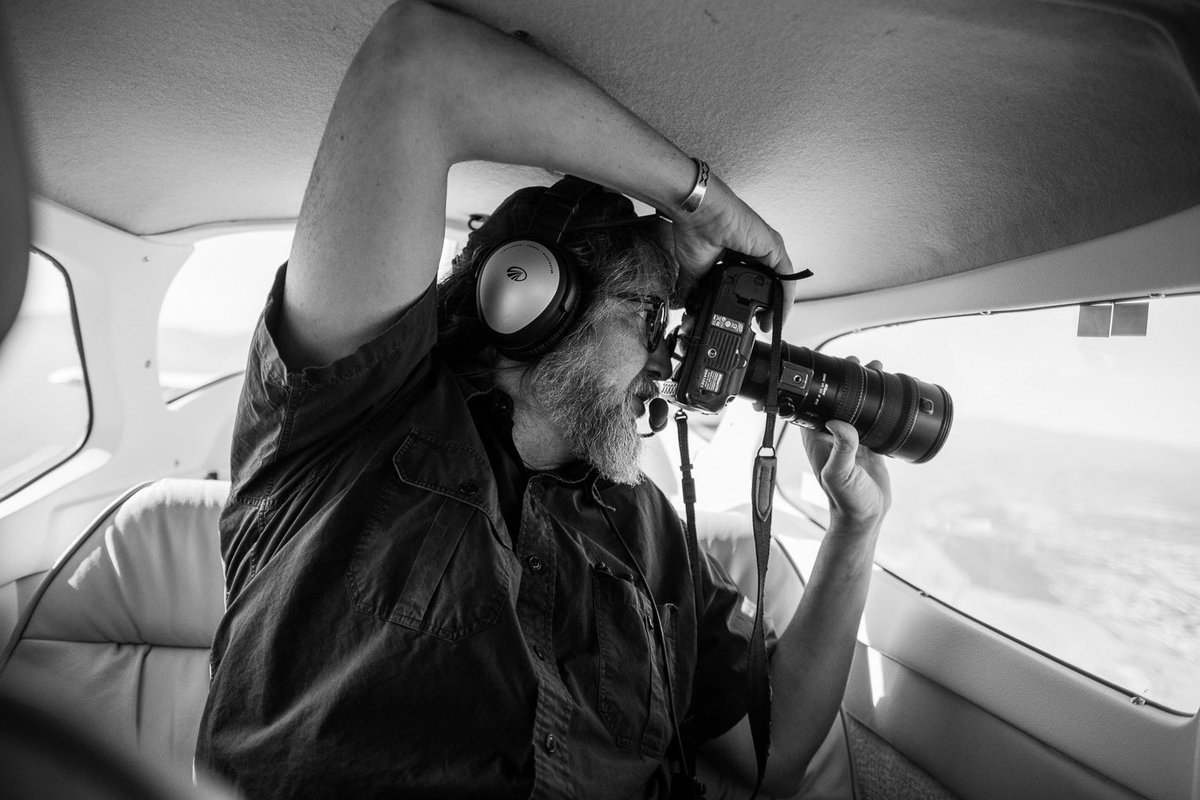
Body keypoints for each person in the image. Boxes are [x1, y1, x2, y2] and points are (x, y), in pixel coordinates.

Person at [194, 2, 891, 798]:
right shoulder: (353, 413)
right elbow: (414, 66)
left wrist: (857, 526)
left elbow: (776, 750)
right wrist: (702, 204)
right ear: (529, 300)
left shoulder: (652, 531)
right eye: (648, 314)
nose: (667, 357)